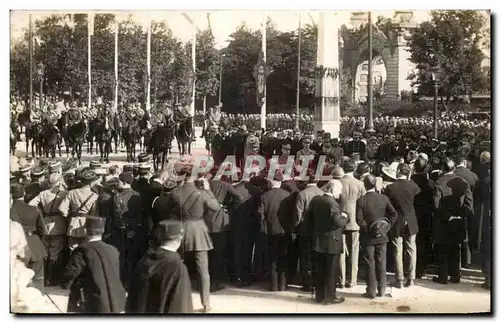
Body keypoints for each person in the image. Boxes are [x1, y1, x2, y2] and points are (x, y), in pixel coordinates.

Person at [170, 166, 219, 313]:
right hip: (198, 232)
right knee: (203, 271)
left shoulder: (175, 193)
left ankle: (177, 302)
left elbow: (169, 211)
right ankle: (206, 303)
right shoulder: (201, 193)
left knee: (177, 268)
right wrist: (208, 189)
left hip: (180, 231)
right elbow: (215, 207)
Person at [60, 216, 126, 313]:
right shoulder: (113, 250)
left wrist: (64, 285)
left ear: (86, 231)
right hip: (118, 301)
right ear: (102, 231)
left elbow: (71, 272)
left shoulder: (82, 250)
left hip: (96, 302)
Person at [126, 220, 193, 313]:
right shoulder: (177, 267)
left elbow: (132, 299)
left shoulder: (143, 261)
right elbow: (180, 305)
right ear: (180, 237)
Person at [304, 179, 348, 305]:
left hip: (318, 239)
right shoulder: (333, 204)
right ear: (333, 189)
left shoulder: (316, 200)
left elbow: (308, 220)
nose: (340, 193)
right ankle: (330, 296)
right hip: (332, 241)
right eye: (339, 190)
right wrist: (345, 216)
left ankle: (320, 296)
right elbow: (338, 222)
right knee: (331, 271)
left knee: (319, 270)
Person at [356, 175, 398, 299]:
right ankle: (382, 289)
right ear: (375, 185)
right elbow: (394, 214)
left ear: (364, 185)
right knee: (381, 262)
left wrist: (369, 229)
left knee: (370, 263)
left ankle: (371, 291)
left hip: (368, 237)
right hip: (382, 236)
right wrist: (386, 226)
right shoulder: (383, 198)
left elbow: (359, 219)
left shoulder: (361, 200)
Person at [432, 158, 473, 284]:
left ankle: (443, 276)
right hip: (459, 220)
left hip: (444, 221)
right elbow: (469, 203)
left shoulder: (439, 182)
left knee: (444, 249)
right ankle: (456, 276)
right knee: (456, 248)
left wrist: (447, 216)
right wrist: (460, 215)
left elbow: (436, 204)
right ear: (454, 169)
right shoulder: (463, 182)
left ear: (443, 169)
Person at [384, 163, 421, 288]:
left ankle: (399, 279)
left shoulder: (390, 188)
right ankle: (411, 278)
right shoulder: (414, 186)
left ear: (398, 172)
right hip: (411, 220)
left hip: (397, 221)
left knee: (397, 249)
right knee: (411, 249)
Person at [29, 173, 68, 286]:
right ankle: (53, 278)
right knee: (55, 252)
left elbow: (31, 204)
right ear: (59, 182)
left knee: (45, 251)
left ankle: (44, 277)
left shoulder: (42, 194)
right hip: (58, 225)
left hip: (45, 225)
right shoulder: (64, 194)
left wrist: (41, 212)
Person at [257, 171, 291, 292]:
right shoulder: (288, 195)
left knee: (272, 259)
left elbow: (260, 215)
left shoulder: (264, 196)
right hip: (284, 231)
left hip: (270, 231)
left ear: (271, 181)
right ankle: (282, 285)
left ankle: (273, 285)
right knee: (283, 257)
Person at [11, 183, 47, 292]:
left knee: (16, 278)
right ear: (24, 194)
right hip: (34, 243)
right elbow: (42, 230)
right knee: (37, 277)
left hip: (15, 246)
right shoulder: (34, 209)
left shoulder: (9, 210)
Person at [112, 171, 143, 290]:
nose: (117, 183)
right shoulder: (137, 195)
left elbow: (118, 216)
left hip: (121, 232)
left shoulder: (117, 197)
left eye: (119, 181)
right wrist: (134, 230)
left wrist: (125, 229)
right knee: (132, 258)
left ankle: (122, 282)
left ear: (124, 182)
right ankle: (131, 283)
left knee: (121, 258)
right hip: (134, 232)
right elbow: (139, 216)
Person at [337, 160, 365, 288]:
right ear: (354, 169)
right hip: (355, 221)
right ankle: (352, 279)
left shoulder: (338, 183)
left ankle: (341, 279)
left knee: (341, 251)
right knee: (354, 251)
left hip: (340, 220)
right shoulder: (360, 184)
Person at [59, 169, 100, 250]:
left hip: (73, 224)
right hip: (87, 226)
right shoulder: (95, 196)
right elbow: (95, 214)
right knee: (87, 251)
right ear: (91, 182)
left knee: (73, 251)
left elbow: (61, 208)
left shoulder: (71, 192)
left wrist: (69, 217)